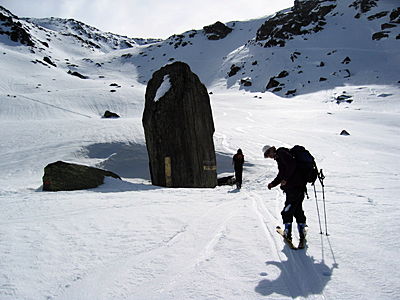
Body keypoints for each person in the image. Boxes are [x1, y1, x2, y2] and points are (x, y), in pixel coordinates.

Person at [263, 145, 307, 242]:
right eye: (267, 155)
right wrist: (273, 184)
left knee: (287, 211)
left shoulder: (281, 153)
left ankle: (288, 232)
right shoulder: (281, 157)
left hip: (294, 188)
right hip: (299, 187)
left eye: (268, 153)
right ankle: (302, 231)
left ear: (272, 150)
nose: (269, 156)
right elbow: (281, 174)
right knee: (297, 210)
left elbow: (292, 165)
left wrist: (286, 179)